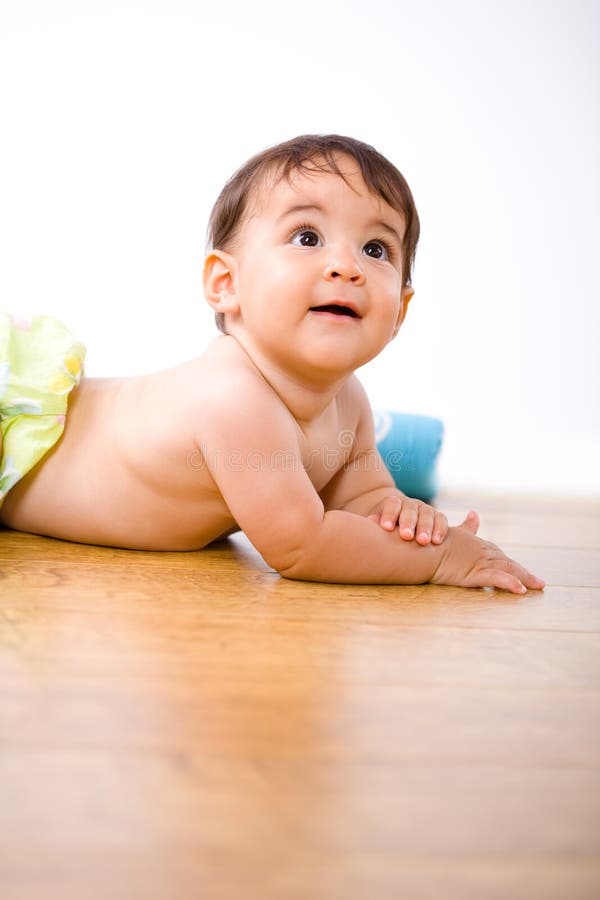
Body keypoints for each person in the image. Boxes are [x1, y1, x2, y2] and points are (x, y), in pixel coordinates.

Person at [0, 134, 544, 593]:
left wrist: (407, 519)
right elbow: (301, 546)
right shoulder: (232, 397)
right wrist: (443, 559)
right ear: (226, 283)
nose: (346, 266)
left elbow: (361, 497)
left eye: (376, 249)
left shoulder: (347, 398)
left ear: (399, 309)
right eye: (308, 237)